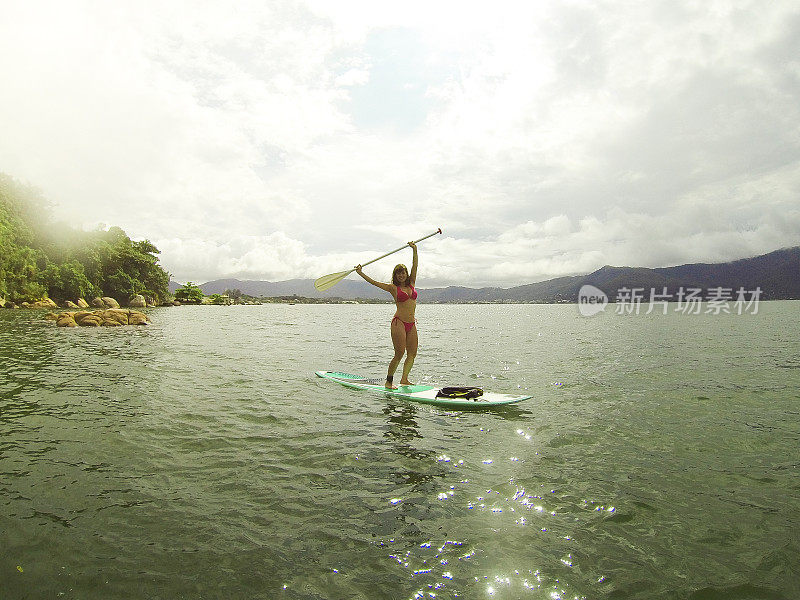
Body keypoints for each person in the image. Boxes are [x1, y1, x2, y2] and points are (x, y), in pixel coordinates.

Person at [355, 241, 419, 389]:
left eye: (403, 272)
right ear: (395, 276)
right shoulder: (393, 288)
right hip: (399, 323)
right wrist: (361, 273)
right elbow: (374, 283)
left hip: (412, 323)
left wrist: (414, 251)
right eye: (399, 273)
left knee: (412, 353)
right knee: (399, 353)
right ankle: (389, 381)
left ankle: (404, 379)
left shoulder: (412, 284)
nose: (402, 275)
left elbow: (415, 266)